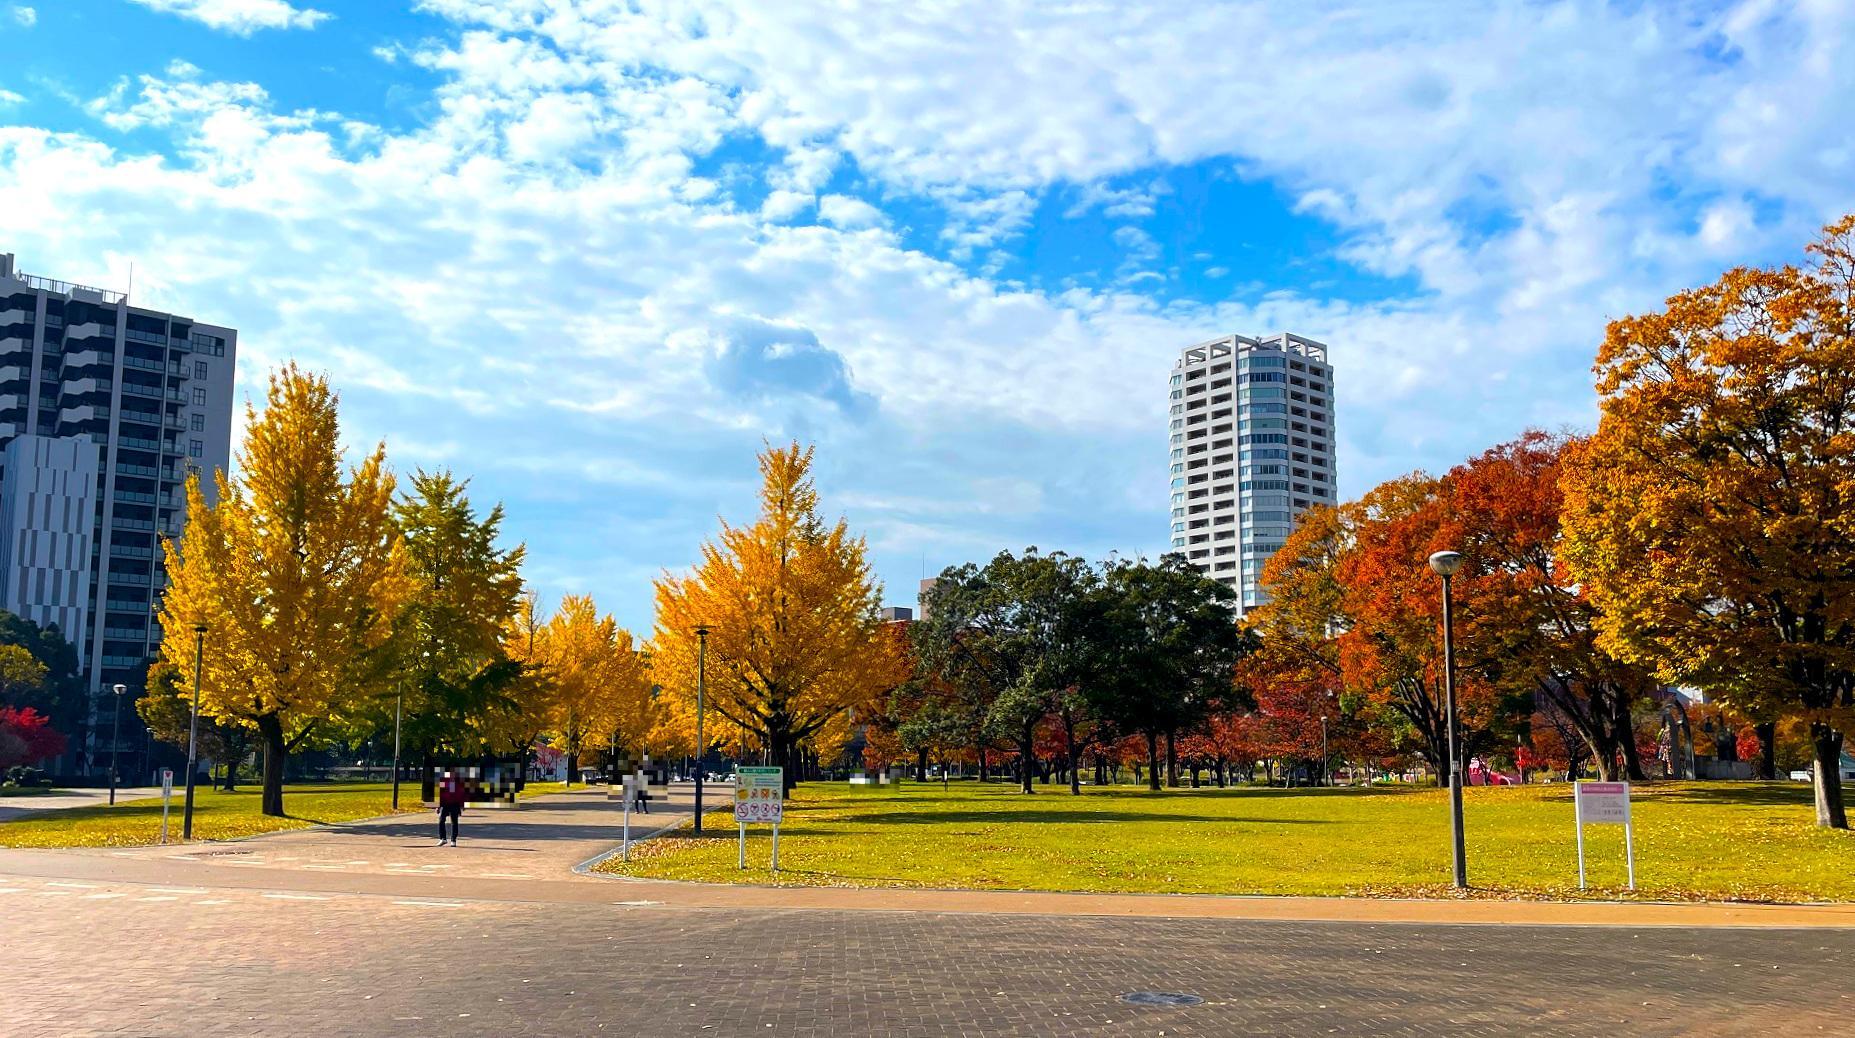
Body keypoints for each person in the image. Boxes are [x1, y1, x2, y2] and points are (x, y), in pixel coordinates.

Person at [437, 770, 467, 846]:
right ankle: (443, 839)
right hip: (445, 803)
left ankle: (453, 840)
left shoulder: (458, 782)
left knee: (454, 822)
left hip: (455, 804)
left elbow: (461, 794)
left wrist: (462, 805)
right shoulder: (443, 780)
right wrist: (438, 806)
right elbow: (440, 794)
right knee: (441, 820)